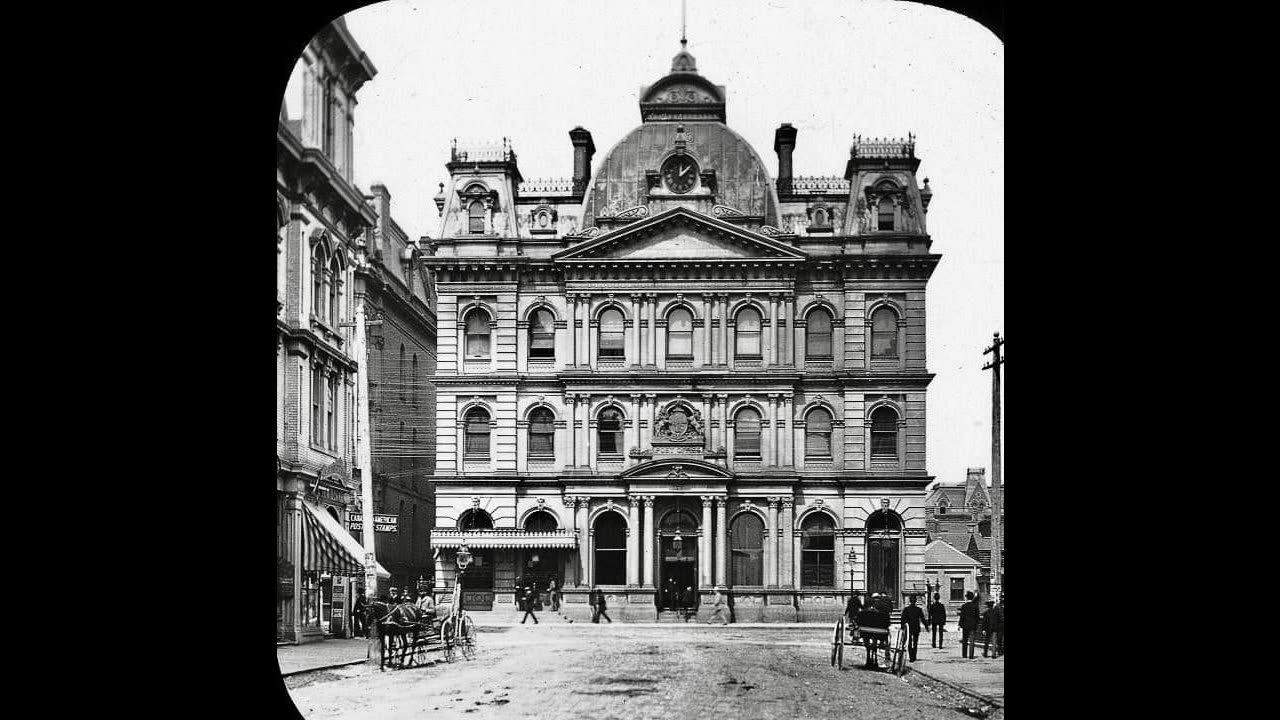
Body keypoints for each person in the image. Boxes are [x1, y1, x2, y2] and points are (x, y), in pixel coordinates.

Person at [855, 597, 890, 669]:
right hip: (879, 632)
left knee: (866, 640)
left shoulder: (862, 613)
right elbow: (887, 624)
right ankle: (875, 656)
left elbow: (858, 622)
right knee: (875, 641)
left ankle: (868, 656)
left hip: (865, 631)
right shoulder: (883, 614)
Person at [900, 594, 926, 662]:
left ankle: (911, 656)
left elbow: (903, 619)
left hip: (909, 628)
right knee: (915, 642)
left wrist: (902, 627)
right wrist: (926, 626)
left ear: (909, 601)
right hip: (916, 627)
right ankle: (914, 656)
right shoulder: (918, 609)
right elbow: (922, 618)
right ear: (916, 601)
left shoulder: (906, 609)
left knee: (909, 642)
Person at [958, 591, 979, 659]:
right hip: (973, 625)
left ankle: (964, 654)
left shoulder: (964, 606)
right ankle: (971, 655)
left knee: (965, 640)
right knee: (972, 640)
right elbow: (977, 617)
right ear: (972, 598)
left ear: (967, 598)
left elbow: (962, 616)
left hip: (965, 625)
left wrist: (959, 625)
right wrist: (976, 623)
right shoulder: (975, 606)